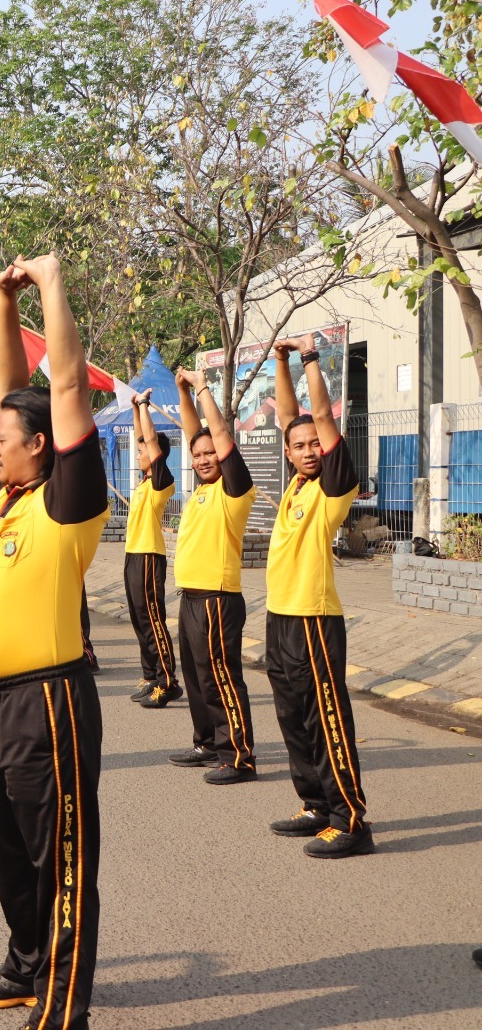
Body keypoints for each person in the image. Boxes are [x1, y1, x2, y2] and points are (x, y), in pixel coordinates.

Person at [0, 255, 108, 1028]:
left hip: (45, 702)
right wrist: (2, 303)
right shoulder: (7, 496)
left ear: (42, 446)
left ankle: (63, 1003)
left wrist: (48, 283)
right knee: (10, 852)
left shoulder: (67, 502)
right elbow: (12, 389)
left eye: (6, 437)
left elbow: (66, 388)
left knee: (60, 861)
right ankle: (23, 966)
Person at [266, 335, 373, 857]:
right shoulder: (296, 485)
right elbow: (293, 417)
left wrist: (310, 358)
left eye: (315, 446)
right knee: (293, 717)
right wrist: (281, 363)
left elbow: (322, 421)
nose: (309, 451)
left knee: (325, 717)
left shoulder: (334, 488)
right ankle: (315, 805)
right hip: (280, 618)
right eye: (299, 446)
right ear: (288, 453)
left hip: (313, 619)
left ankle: (350, 818)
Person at [167, 366, 259, 784]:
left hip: (218, 599)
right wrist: (182, 393)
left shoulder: (233, 489)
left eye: (211, 454)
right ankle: (207, 743)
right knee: (197, 676)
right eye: (197, 455)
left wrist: (202, 387)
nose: (204, 459)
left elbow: (217, 435)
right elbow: (195, 433)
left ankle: (238, 756)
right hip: (190, 598)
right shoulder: (201, 489)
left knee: (221, 677)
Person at [123, 393, 179, 708]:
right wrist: (134, 410)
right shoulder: (144, 482)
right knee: (138, 619)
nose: (139, 451)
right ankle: (150, 676)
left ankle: (167, 680)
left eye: (143, 449)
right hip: (133, 555)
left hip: (148, 556)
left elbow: (152, 443)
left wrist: (144, 406)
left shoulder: (162, 481)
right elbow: (143, 438)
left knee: (152, 619)